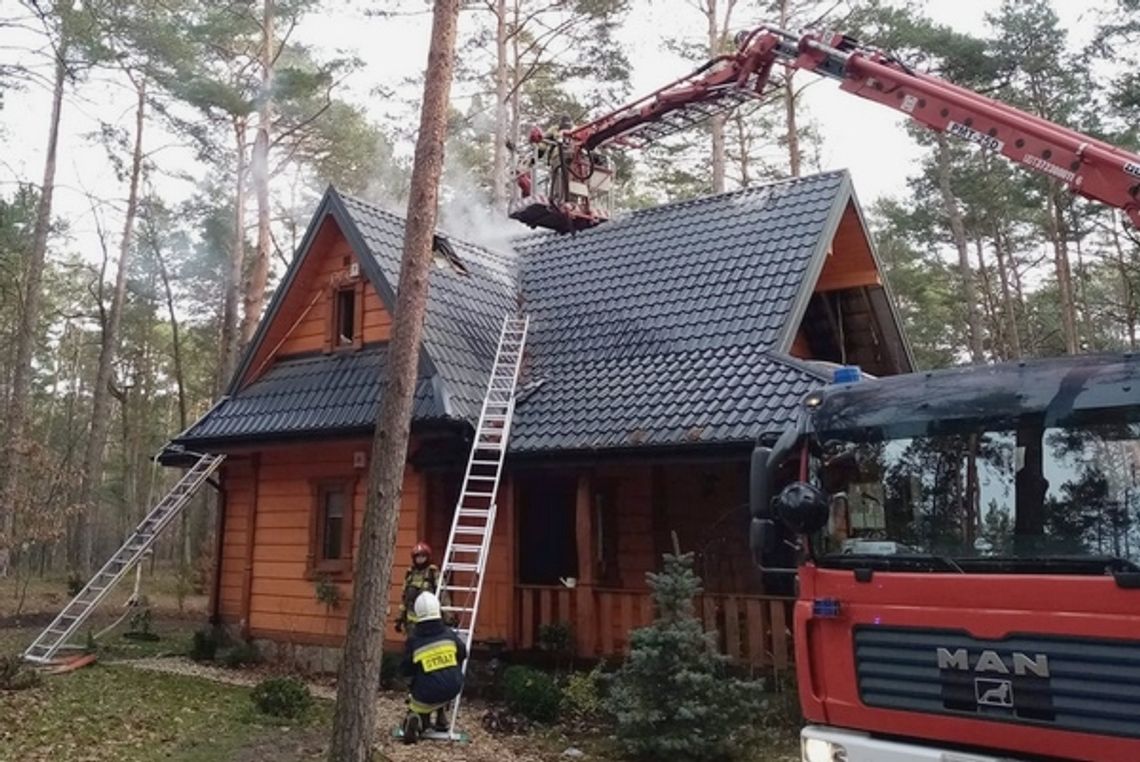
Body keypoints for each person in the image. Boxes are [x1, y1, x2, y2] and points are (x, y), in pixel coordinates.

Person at [400, 591, 468, 743]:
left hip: (427, 693)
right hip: (454, 686)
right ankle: (441, 718)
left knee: (423, 682)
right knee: (443, 676)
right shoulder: (449, 634)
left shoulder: (414, 640)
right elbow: (463, 653)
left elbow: (406, 669)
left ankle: (416, 719)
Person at [395, 542, 439, 634]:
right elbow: (404, 598)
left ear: (427, 557)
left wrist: (448, 617)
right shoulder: (410, 573)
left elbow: (442, 594)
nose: (420, 559)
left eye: (423, 556)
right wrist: (399, 618)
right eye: (417, 557)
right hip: (411, 622)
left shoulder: (432, 571)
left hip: (428, 619)